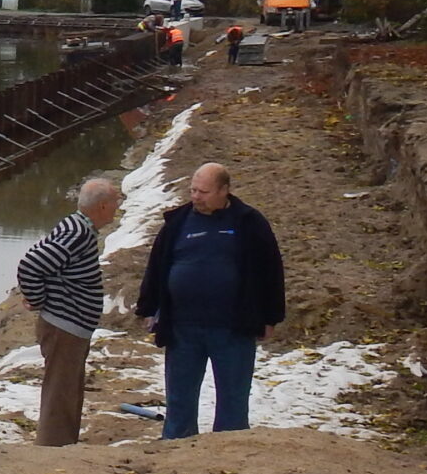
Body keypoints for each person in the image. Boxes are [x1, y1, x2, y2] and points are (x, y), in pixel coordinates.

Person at [134, 162, 286, 439]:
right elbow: (157, 266)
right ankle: (176, 445)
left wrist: (270, 317)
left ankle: (229, 450)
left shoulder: (249, 223)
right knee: (179, 398)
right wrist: (148, 308)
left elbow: (271, 271)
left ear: (224, 191)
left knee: (233, 399)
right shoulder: (178, 222)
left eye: (203, 191)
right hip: (183, 327)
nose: (196, 197)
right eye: (193, 190)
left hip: (233, 328)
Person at [15, 176, 123, 446]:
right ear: (100, 207)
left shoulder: (77, 227)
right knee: (60, 392)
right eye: (114, 202)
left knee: (68, 389)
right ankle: (52, 450)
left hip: (70, 325)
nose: (117, 207)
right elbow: (30, 265)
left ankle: (64, 445)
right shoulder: (77, 233)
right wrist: (37, 299)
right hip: (64, 325)